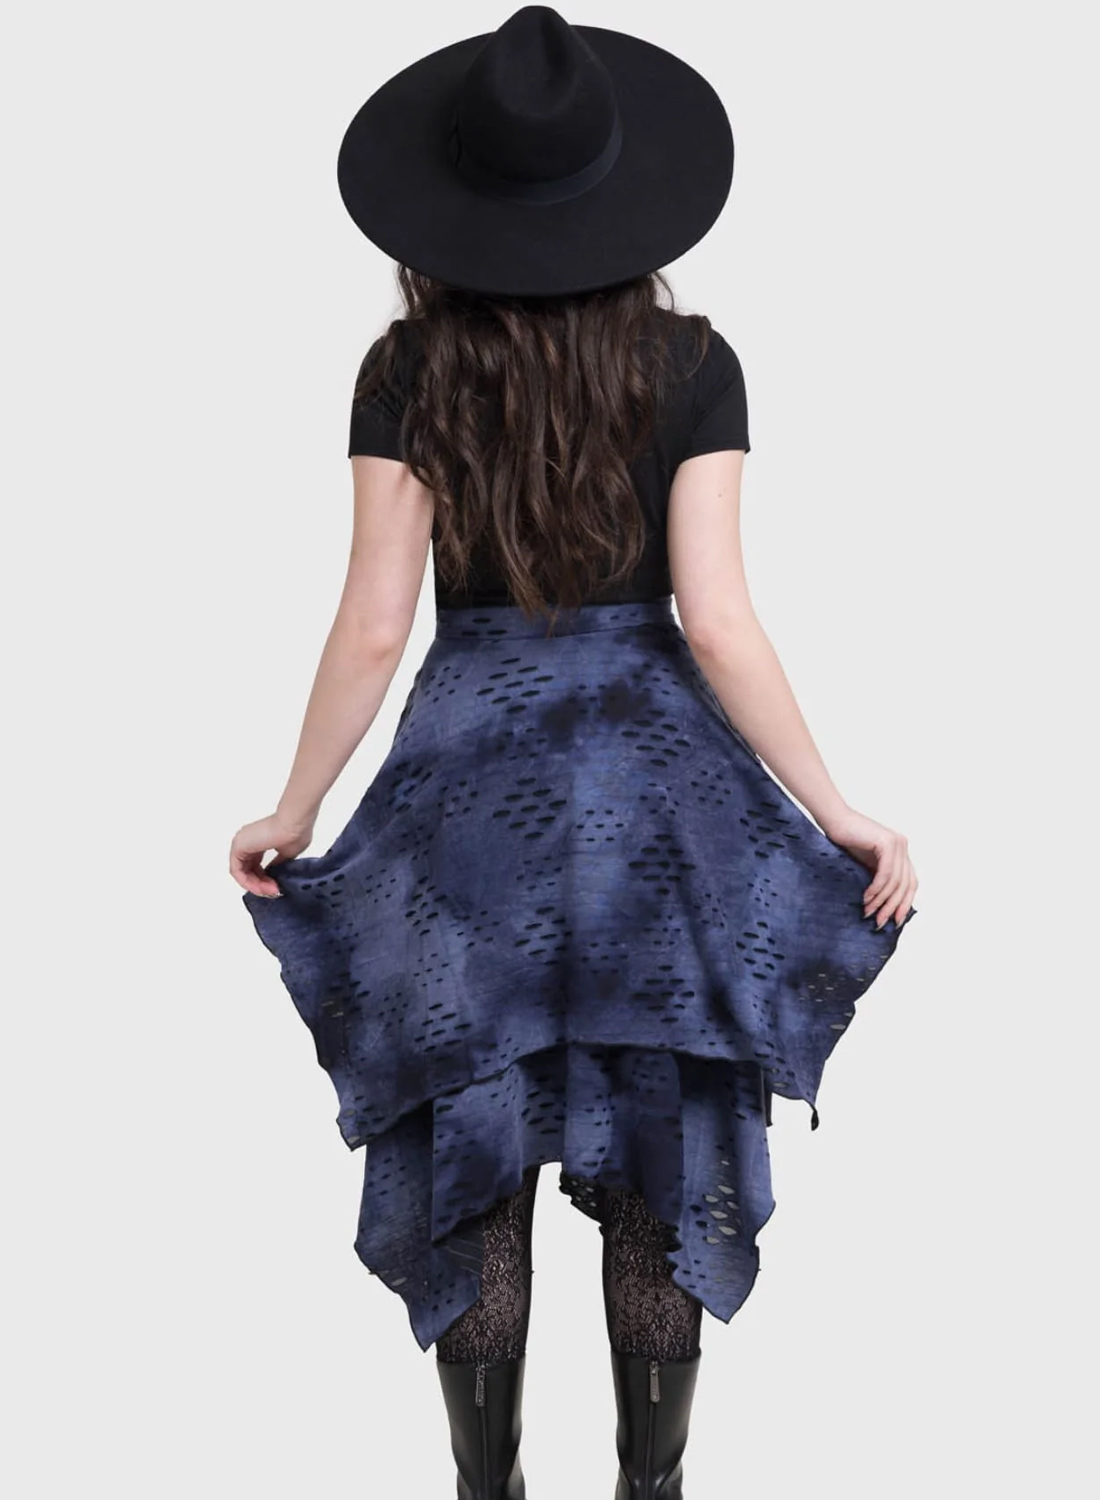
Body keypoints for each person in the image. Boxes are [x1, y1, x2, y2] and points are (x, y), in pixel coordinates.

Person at [229, 8, 918, 1497]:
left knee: (471, 1133)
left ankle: (488, 1491)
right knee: (658, 1153)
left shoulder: (408, 368)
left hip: (468, 797)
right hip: (655, 802)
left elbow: (374, 627)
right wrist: (836, 809)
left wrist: (295, 807)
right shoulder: (695, 362)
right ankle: (649, 1490)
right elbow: (717, 621)